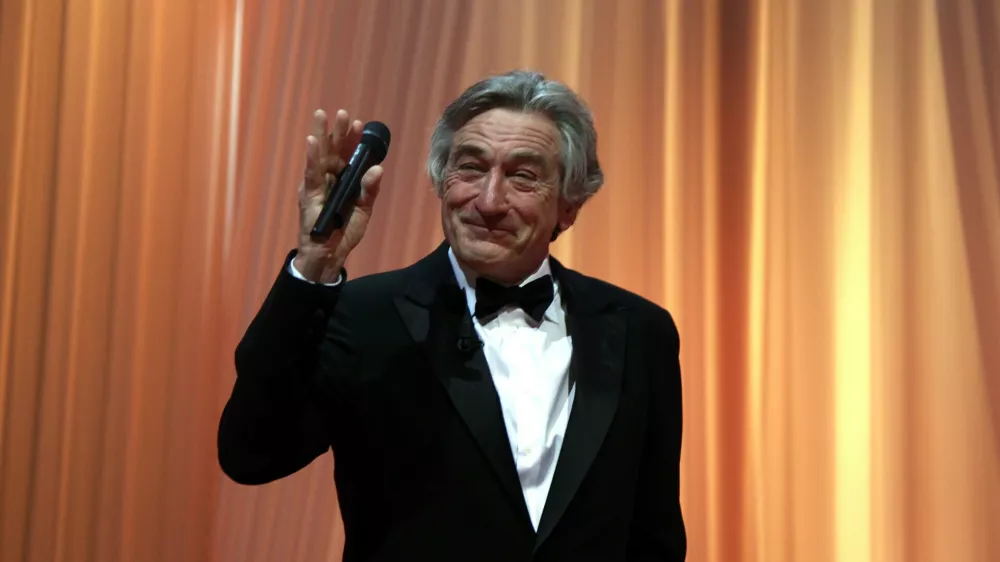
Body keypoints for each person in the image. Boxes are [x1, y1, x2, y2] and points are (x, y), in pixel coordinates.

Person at [218, 70, 686, 561]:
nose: (488, 201)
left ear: (569, 207)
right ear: (442, 182)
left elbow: (654, 537)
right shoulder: (366, 315)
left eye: (523, 176)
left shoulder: (640, 331)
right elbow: (252, 453)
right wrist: (314, 263)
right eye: (470, 168)